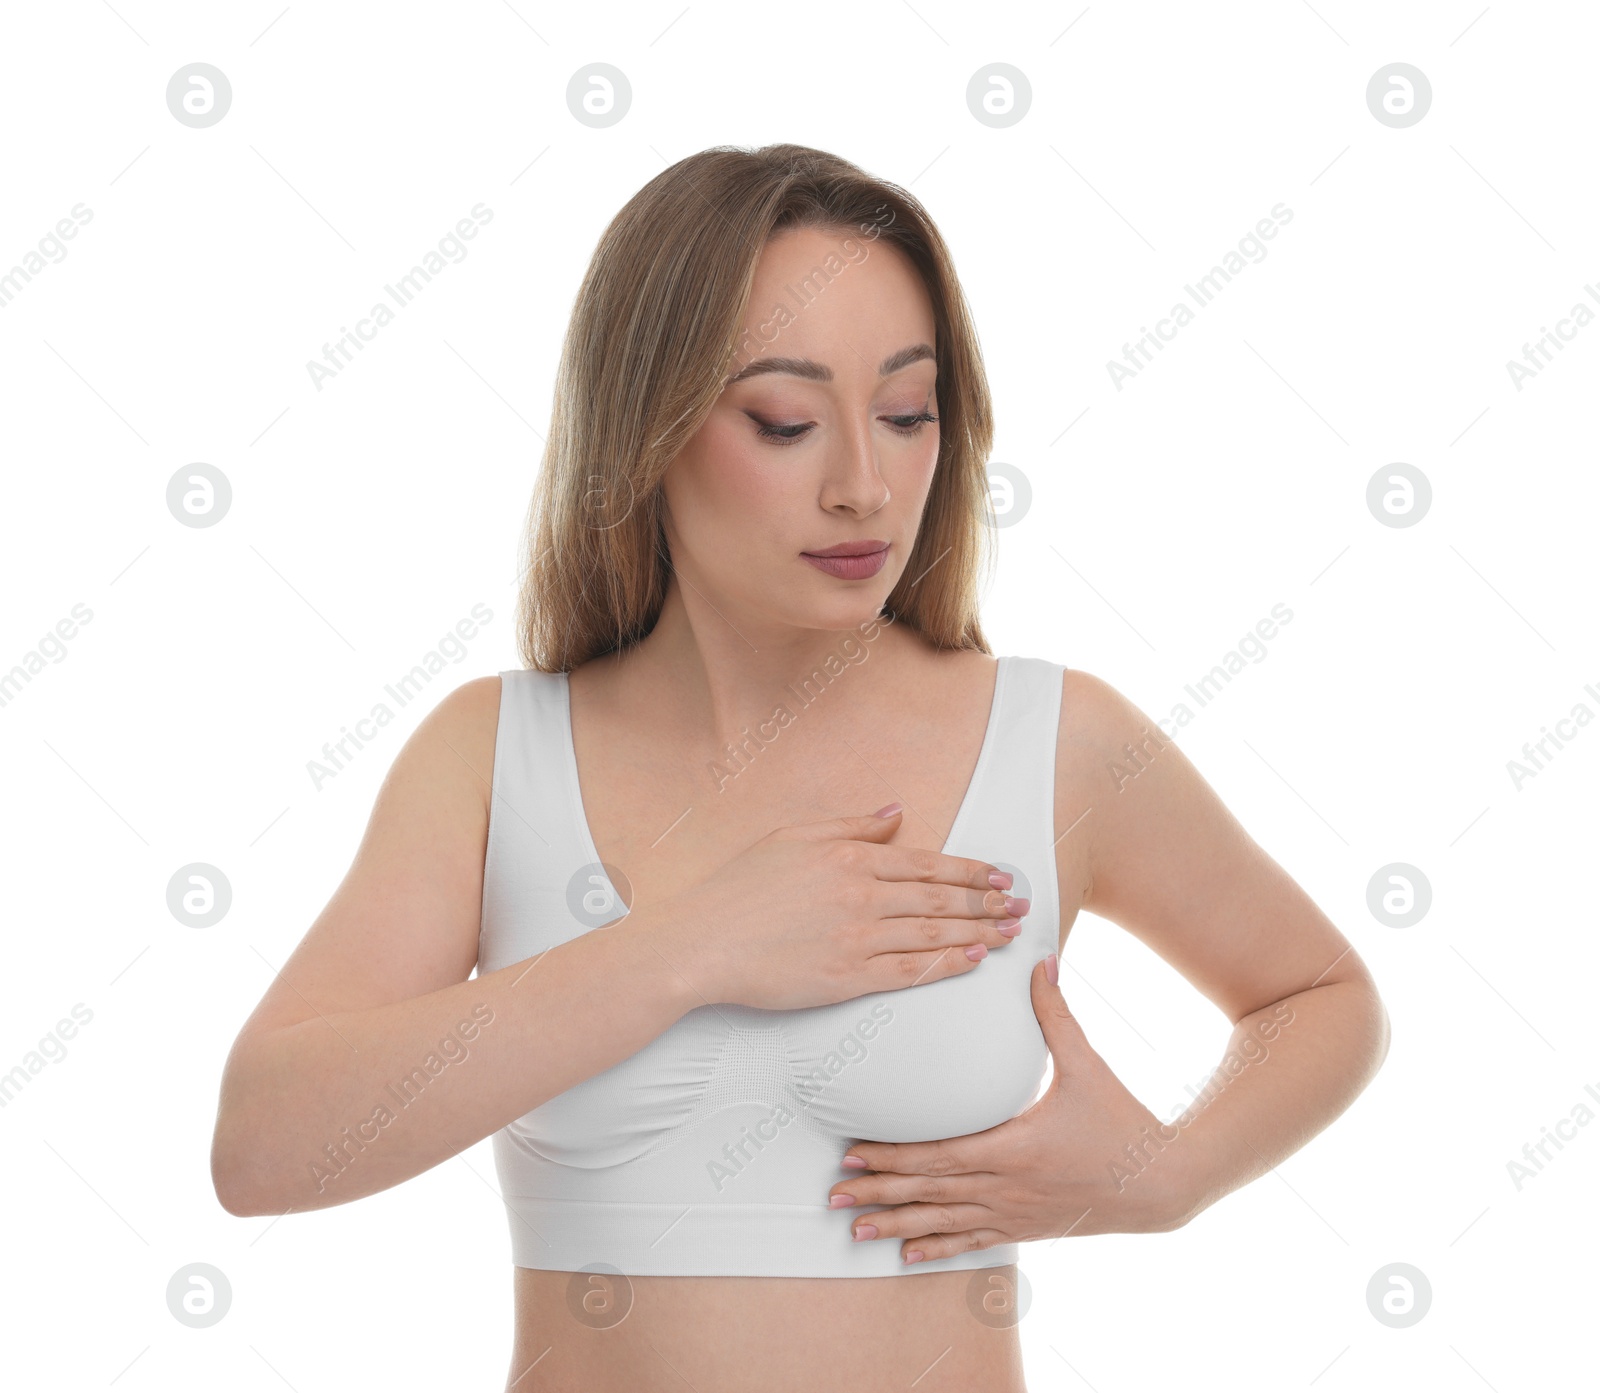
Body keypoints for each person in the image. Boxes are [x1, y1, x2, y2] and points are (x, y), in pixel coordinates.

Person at [210, 143, 1390, 1392]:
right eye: (783, 421)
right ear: (646, 426)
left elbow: (1321, 993)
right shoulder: (496, 755)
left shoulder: (1055, 743)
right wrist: (694, 946)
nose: (864, 487)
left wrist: (1174, 1175)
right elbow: (265, 1147)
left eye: (905, 412)